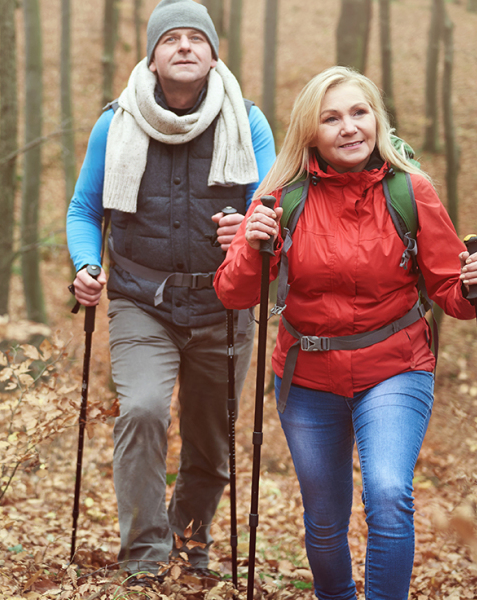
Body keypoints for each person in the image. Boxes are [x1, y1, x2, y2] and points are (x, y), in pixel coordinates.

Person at [213, 66, 477, 600]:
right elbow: (232, 293)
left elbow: (450, 294)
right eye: (332, 117)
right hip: (308, 375)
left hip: (395, 365)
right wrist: (253, 246)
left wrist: (475, 285)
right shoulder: (279, 198)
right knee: (324, 518)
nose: (349, 127)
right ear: (310, 131)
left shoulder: (411, 191)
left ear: (378, 121)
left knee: (388, 491)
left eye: (359, 113)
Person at [65, 0, 276, 579]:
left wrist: (252, 229)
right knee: (143, 409)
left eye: (196, 39)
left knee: (213, 441)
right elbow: (85, 209)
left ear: (213, 55)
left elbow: (277, 207)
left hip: (226, 303)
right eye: (171, 39)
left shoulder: (248, 121)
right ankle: (144, 553)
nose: (184, 46)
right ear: (153, 57)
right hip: (141, 299)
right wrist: (86, 265)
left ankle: (189, 538)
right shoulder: (116, 123)